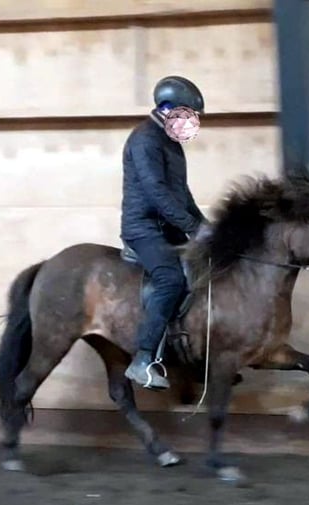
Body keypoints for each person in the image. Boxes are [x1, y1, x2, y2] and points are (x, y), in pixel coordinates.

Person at [120, 76, 207, 390]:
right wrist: (191, 228)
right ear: (167, 108)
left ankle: (188, 356)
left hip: (168, 228)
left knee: (204, 270)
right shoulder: (144, 140)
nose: (192, 122)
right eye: (188, 114)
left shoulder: (171, 145)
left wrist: (205, 226)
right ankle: (142, 360)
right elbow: (157, 194)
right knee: (171, 280)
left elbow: (182, 194)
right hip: (143, 230)